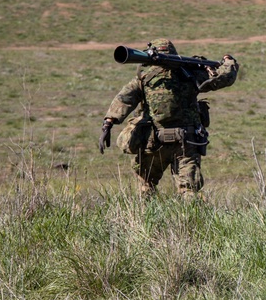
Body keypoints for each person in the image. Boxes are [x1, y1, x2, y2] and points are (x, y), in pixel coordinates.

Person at [98, 39, 239, 198]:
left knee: (146, 187)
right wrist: (229, 61)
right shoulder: (191, 74)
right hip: (186, 143)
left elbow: (124, 99)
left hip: (153, 143)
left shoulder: (144, 78)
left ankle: (144, 222)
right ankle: (190, 222)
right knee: (189, 191)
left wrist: (108, 124)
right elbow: (225, 77)